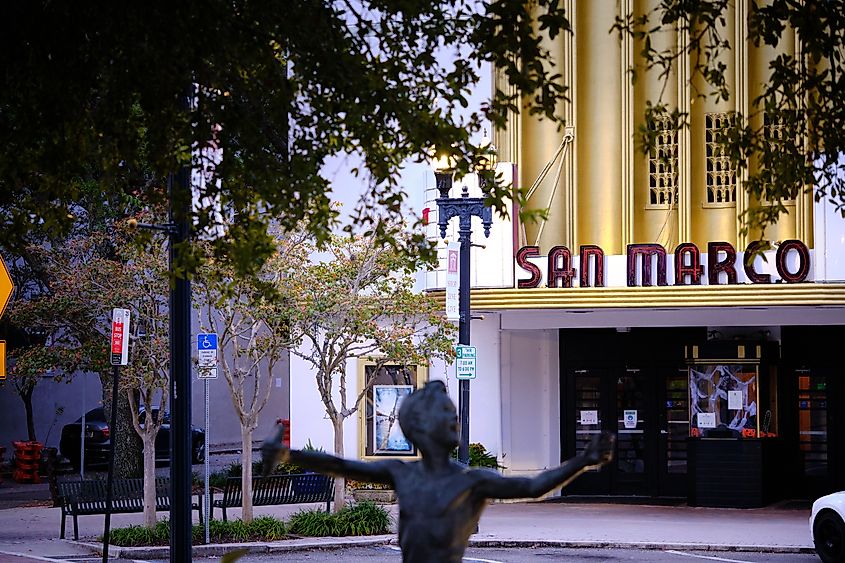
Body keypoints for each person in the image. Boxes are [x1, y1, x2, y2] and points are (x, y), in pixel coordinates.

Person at [261, 380, 615, 563]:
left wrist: (582, 460)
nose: (453, 419)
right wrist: (288, 456)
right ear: (419, 426)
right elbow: (340, 465)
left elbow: (535, 485)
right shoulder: (402, 473)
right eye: (445, 413)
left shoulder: (472, 480)